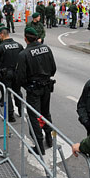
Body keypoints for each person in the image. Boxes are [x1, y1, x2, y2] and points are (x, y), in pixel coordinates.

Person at [16, 27, 57, 155]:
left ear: (25, 38)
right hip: (46, 87)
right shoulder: (47, 48)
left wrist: (27, 86)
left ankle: (39, 146)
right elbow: (53, 69)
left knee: (34, 117)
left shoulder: (24, 54)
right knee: (46, 113)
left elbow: (20, 77)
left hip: (34, 90)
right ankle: (49, 139)